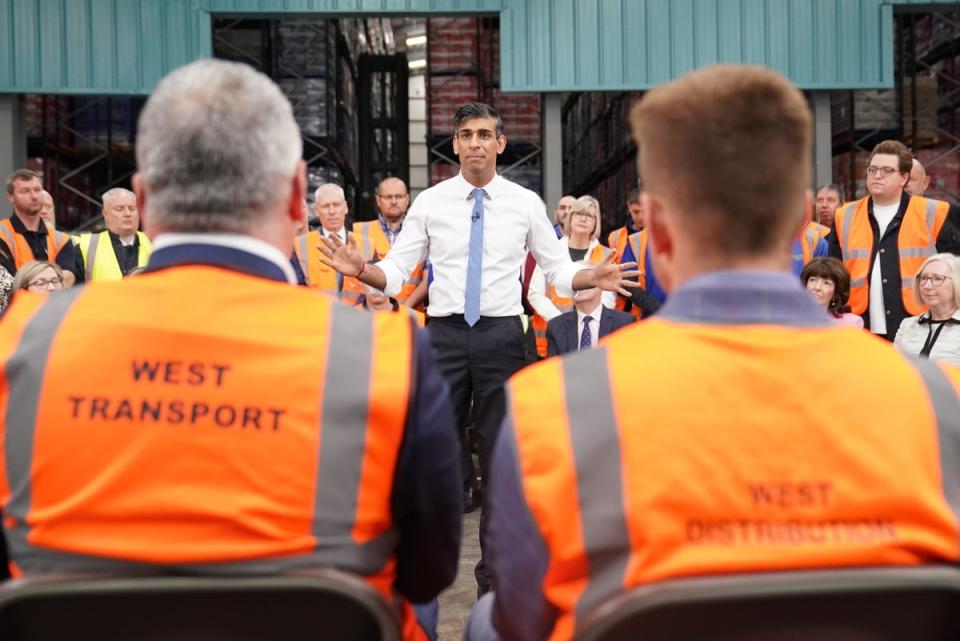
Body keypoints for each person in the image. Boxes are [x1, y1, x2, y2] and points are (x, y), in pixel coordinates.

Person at [466, 64, 960, 641]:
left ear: (662, 231)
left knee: (484, 620)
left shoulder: (553, 407)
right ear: (802, 214)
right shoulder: (930, 398)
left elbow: (527, 614)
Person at [0, 59, 461, 641]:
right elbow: (430, 568)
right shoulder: (388, 357)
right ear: (298, 194)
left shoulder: (22, 338)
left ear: (142, 196)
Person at [319, 101, 636, 594]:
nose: (474, 144)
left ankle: (496, 577)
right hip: (444, 335)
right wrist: (361, 269)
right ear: (456, 144)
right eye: (466, 135)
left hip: (502, 338)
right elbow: (399, 273)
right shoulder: (431, 202)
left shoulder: (525, 203)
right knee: (431, 452)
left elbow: (556, 270)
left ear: (500, 143)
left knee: (501, 459)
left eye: (484, 135)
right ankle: (422, 567)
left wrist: (592, 274)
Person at [828, 140, 960, 341]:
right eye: (872, 169)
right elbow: (833, 274)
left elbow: (955, 272)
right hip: (860, 325)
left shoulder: (935, 214)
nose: (877, 175)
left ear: (904, 177)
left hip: (921, 326)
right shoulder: (844, 216)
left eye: (887, 170)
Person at [528, 196, 616, 358]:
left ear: (596, 222)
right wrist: (562, 322)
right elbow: (535, 294)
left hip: (592, 338)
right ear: (570, 218)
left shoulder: (605, 255)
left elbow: (608, 299)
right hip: (550, 338)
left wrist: (585, 321)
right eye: (578, 213)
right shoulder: (551, 251)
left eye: (589, 215)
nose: (583, 218)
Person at [349, 177, 426, 308]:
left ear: (407, 199)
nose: (394, 201)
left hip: (411, 316)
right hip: (372, 317)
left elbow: (428, 280)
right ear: (378, 200)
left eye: (399, 196)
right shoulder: (359, 232)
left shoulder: (422, 232)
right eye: (388, 197)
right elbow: (356, 279)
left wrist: (403, 309)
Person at [2, 169, 79, 286]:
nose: (34, 196)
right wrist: (52, 282)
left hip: (52, 304)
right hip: (17, 304)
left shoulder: (61, 239)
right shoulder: (3, 234)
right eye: (25, 191)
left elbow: (68, 278)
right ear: (10, 197)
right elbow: (6, 280)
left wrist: (35, 285)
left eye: (37, 190)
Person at [894, 253, 960, 366]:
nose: (927, 286)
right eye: (924, 278)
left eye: (938, 278)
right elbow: (893, 368)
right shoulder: (907, 326)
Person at [75, 187, 153, 280]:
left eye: (132, 208)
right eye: (120, 209)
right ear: (105, 213)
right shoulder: (86, 246)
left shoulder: (154, 243)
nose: (127, 213)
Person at [292, 183, 353, 296]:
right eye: (325, 206)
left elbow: (373, 291)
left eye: (336, 205)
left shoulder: (367, 244)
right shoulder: (299, 246)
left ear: (345, 207)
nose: (332, 211)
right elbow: (297, 291)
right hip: (317, 312)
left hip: (358, 313)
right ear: (316, 210)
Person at [545, 281, 634, 356]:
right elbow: (554, 373)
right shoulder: (555, 327)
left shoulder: (624, 323)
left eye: (587, 281)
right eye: (576, 283)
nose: (581, 286)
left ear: (600, 286)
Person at [800, 257, 864, 328]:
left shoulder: (851, 323)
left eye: (826, 283)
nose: (817, 287)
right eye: (813, 280)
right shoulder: (789, 318)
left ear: (836, 293)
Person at [607, 188, 643, 264]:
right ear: (629, 207)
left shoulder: (660, 234)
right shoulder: (615, 237)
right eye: (636, 212)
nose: (641, 217)